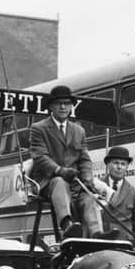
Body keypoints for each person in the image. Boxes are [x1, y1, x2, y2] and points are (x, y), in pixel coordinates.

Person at [29, 85, 113, 239]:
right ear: (51, 106)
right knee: (60, 181)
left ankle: (97, 234)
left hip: (75, 182)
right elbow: (40, 157)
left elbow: (85, 159)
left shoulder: (78, 130)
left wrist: (87, 179)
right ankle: (67, 225)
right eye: (58, 103)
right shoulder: (39, 128)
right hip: (49, 182)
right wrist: (60, 171)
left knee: (89, 196)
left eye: (67, 103)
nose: (63, 106)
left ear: (71, 107)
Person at [97, 146, 135, 241]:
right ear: (108, 164)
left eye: (123, 164)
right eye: (116, 163)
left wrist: (130, 240)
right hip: (99, 241)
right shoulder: (96, 186)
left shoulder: (134, 193)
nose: (119, 167)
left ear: (127, 167)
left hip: (123, 245)